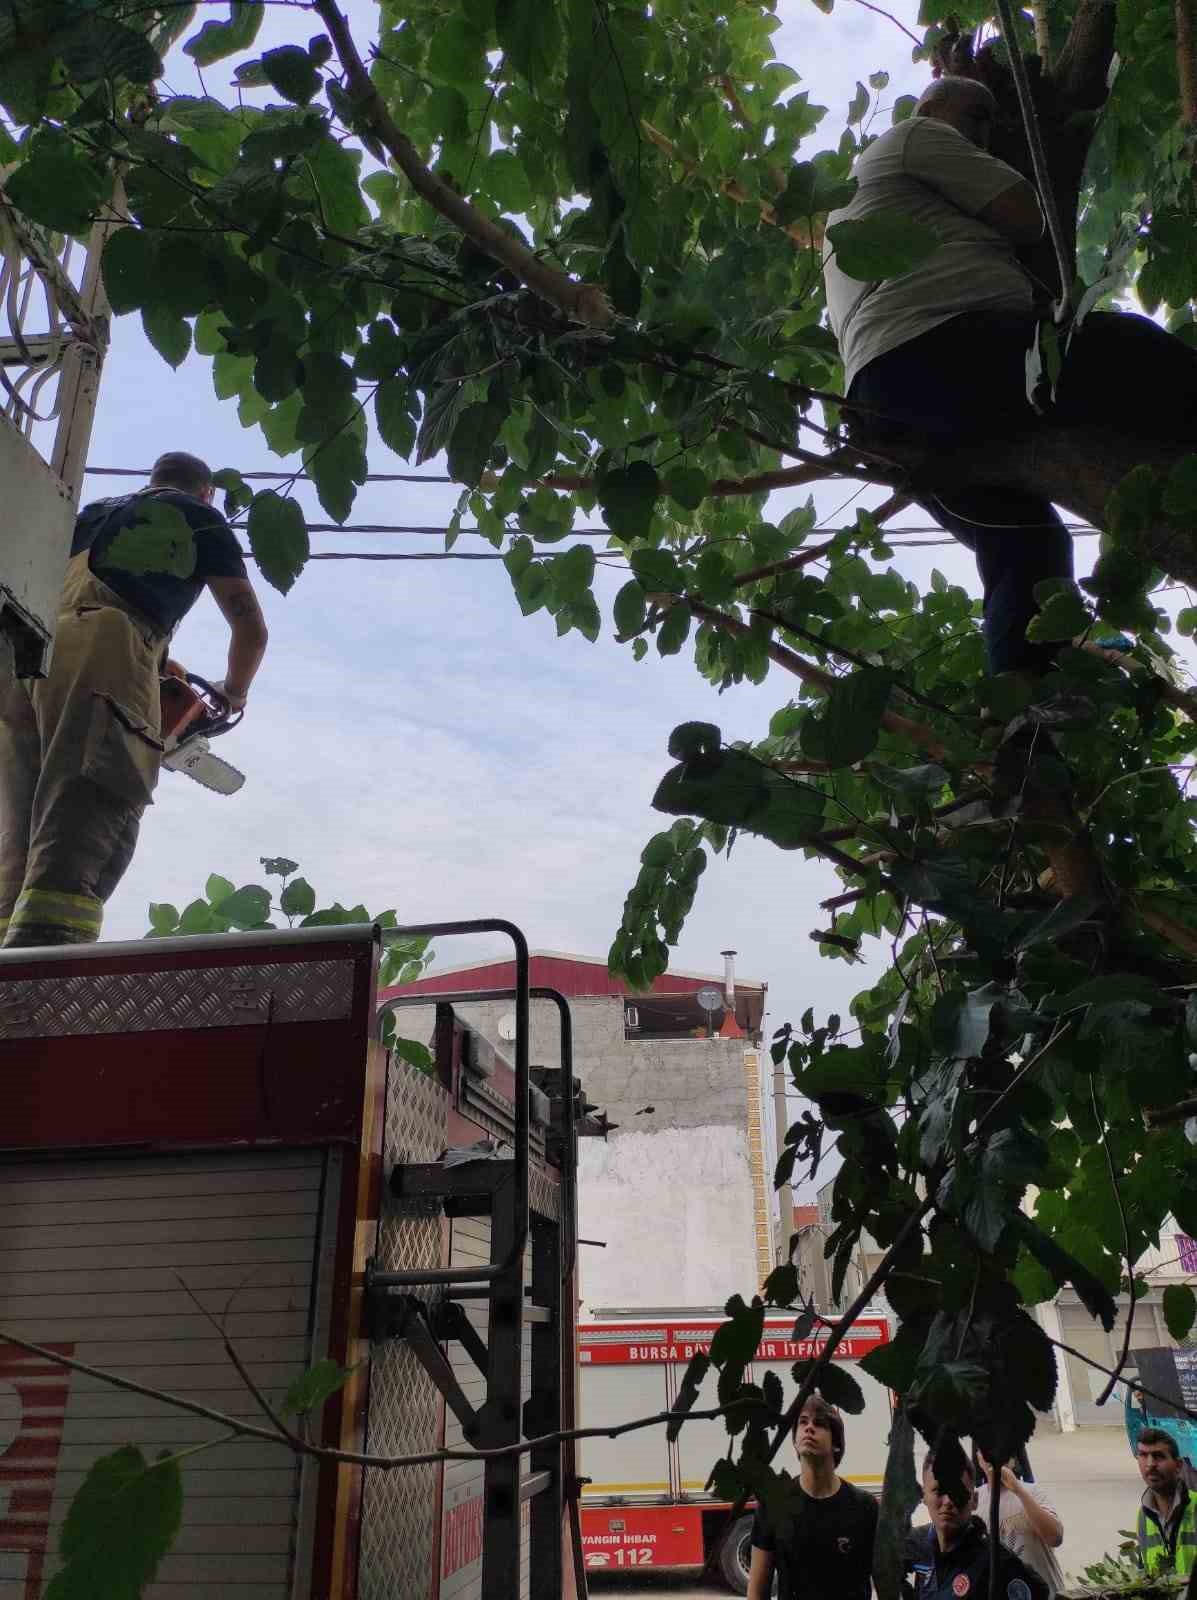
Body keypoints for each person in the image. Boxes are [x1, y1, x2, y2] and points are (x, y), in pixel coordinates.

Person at [823, 75, 1197, 677]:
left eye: (991, 120)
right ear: (927, 107)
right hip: (933, 355)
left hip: (889, 406)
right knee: (1126, 349)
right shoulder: (914, 135)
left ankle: (1022, 724)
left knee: (1028, 545)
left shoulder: (875, 195)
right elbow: (1025, 216)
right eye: (974, 114)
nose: (984, 131)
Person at [0, 451, 267, 947]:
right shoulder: (198, 516)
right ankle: (44, 972)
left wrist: (157, 660)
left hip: (24, 657)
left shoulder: (94, 514)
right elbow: (250, 629)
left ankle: (5, 958)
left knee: (21, 824)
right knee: (90, 804)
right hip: (101, 652)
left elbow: (85, 596)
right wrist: (233, 695)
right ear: (205, 492)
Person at [747, 1394, 879, 1600]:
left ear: (836, 1444)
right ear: (795, 1441)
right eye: (803, 1422)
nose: (809, 1428)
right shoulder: (773, 1505)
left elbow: (885, 1583)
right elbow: (757, 1592)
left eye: (819, 1423)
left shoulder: (865, 1507)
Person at [906, 1452, 1050, 1600]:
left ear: (974, 1500)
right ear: (923, 1496)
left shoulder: (998, 1564)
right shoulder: (917, 1543)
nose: (948, 1501)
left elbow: (1039, 1591)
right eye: (939, 1490)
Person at [974, 1446, 1065, 1597]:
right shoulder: (974, 1500)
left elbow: (1055, 1537)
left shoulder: (1032, 1492)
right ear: (979, 1458)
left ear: (1013, 1459)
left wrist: (1018, 1490)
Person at [1135, 1427, 1196, 1578]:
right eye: (1143, 1455)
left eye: (1158, 1456)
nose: (1150, 1464)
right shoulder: (1143, 1517)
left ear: (1179, 1465)